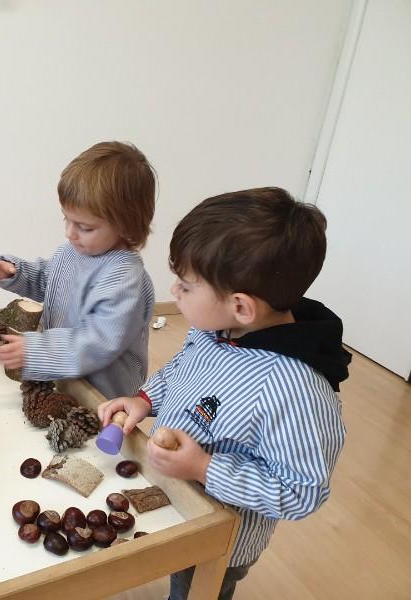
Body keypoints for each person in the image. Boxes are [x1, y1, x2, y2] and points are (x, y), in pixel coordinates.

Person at [98, 187, 350, 600]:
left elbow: (301, 491)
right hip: (174, 502)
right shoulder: (214, 329)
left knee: (195, 590)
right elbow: (182, 371)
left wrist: (204, 467)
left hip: (221, 539)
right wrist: (144, 400)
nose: (174, 292)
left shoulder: (294, 390)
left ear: (242, 307)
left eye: (186, 286)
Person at [0, 141, 156, 399]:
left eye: (85, 227)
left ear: (126, 225)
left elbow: (97, 341)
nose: (69, 233)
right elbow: (48, 281)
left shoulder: (125, 279)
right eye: (67, 219)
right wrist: (14, 272)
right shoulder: (71, 252)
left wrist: (37, 351)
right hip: (66, 373)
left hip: (103, 393)